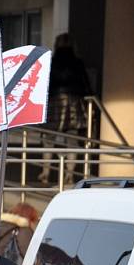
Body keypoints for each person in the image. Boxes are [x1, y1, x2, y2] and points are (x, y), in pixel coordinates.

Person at [39, 34, 91, 185]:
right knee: (72, 141)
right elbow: (86, 86)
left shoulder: (51, 62)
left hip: (54, 102)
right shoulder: (78, 62)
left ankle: (45, 172)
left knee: (48, 139)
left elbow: (45, 84)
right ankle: (70, 174)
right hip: (74, 103)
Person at [4, 53, 45, 127]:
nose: (12, 88)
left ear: (32, 85)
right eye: (7, 81)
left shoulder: (37, 113)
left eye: (20, 83)